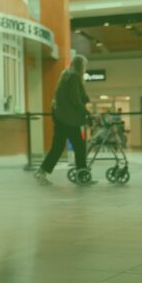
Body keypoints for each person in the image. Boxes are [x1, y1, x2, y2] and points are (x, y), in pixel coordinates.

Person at [35, 55, 93, 185]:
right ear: (80, 65)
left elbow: (78, 96)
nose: (85, 68)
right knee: (79, 146)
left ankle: (41, 171)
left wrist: (86, 101)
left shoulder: (66, 75)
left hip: (60, 117)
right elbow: (75, 99)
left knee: (58, 147)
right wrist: (87, 112)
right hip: (68, 119)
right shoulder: (74, 77)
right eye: (84, 65)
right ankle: (82, 175)